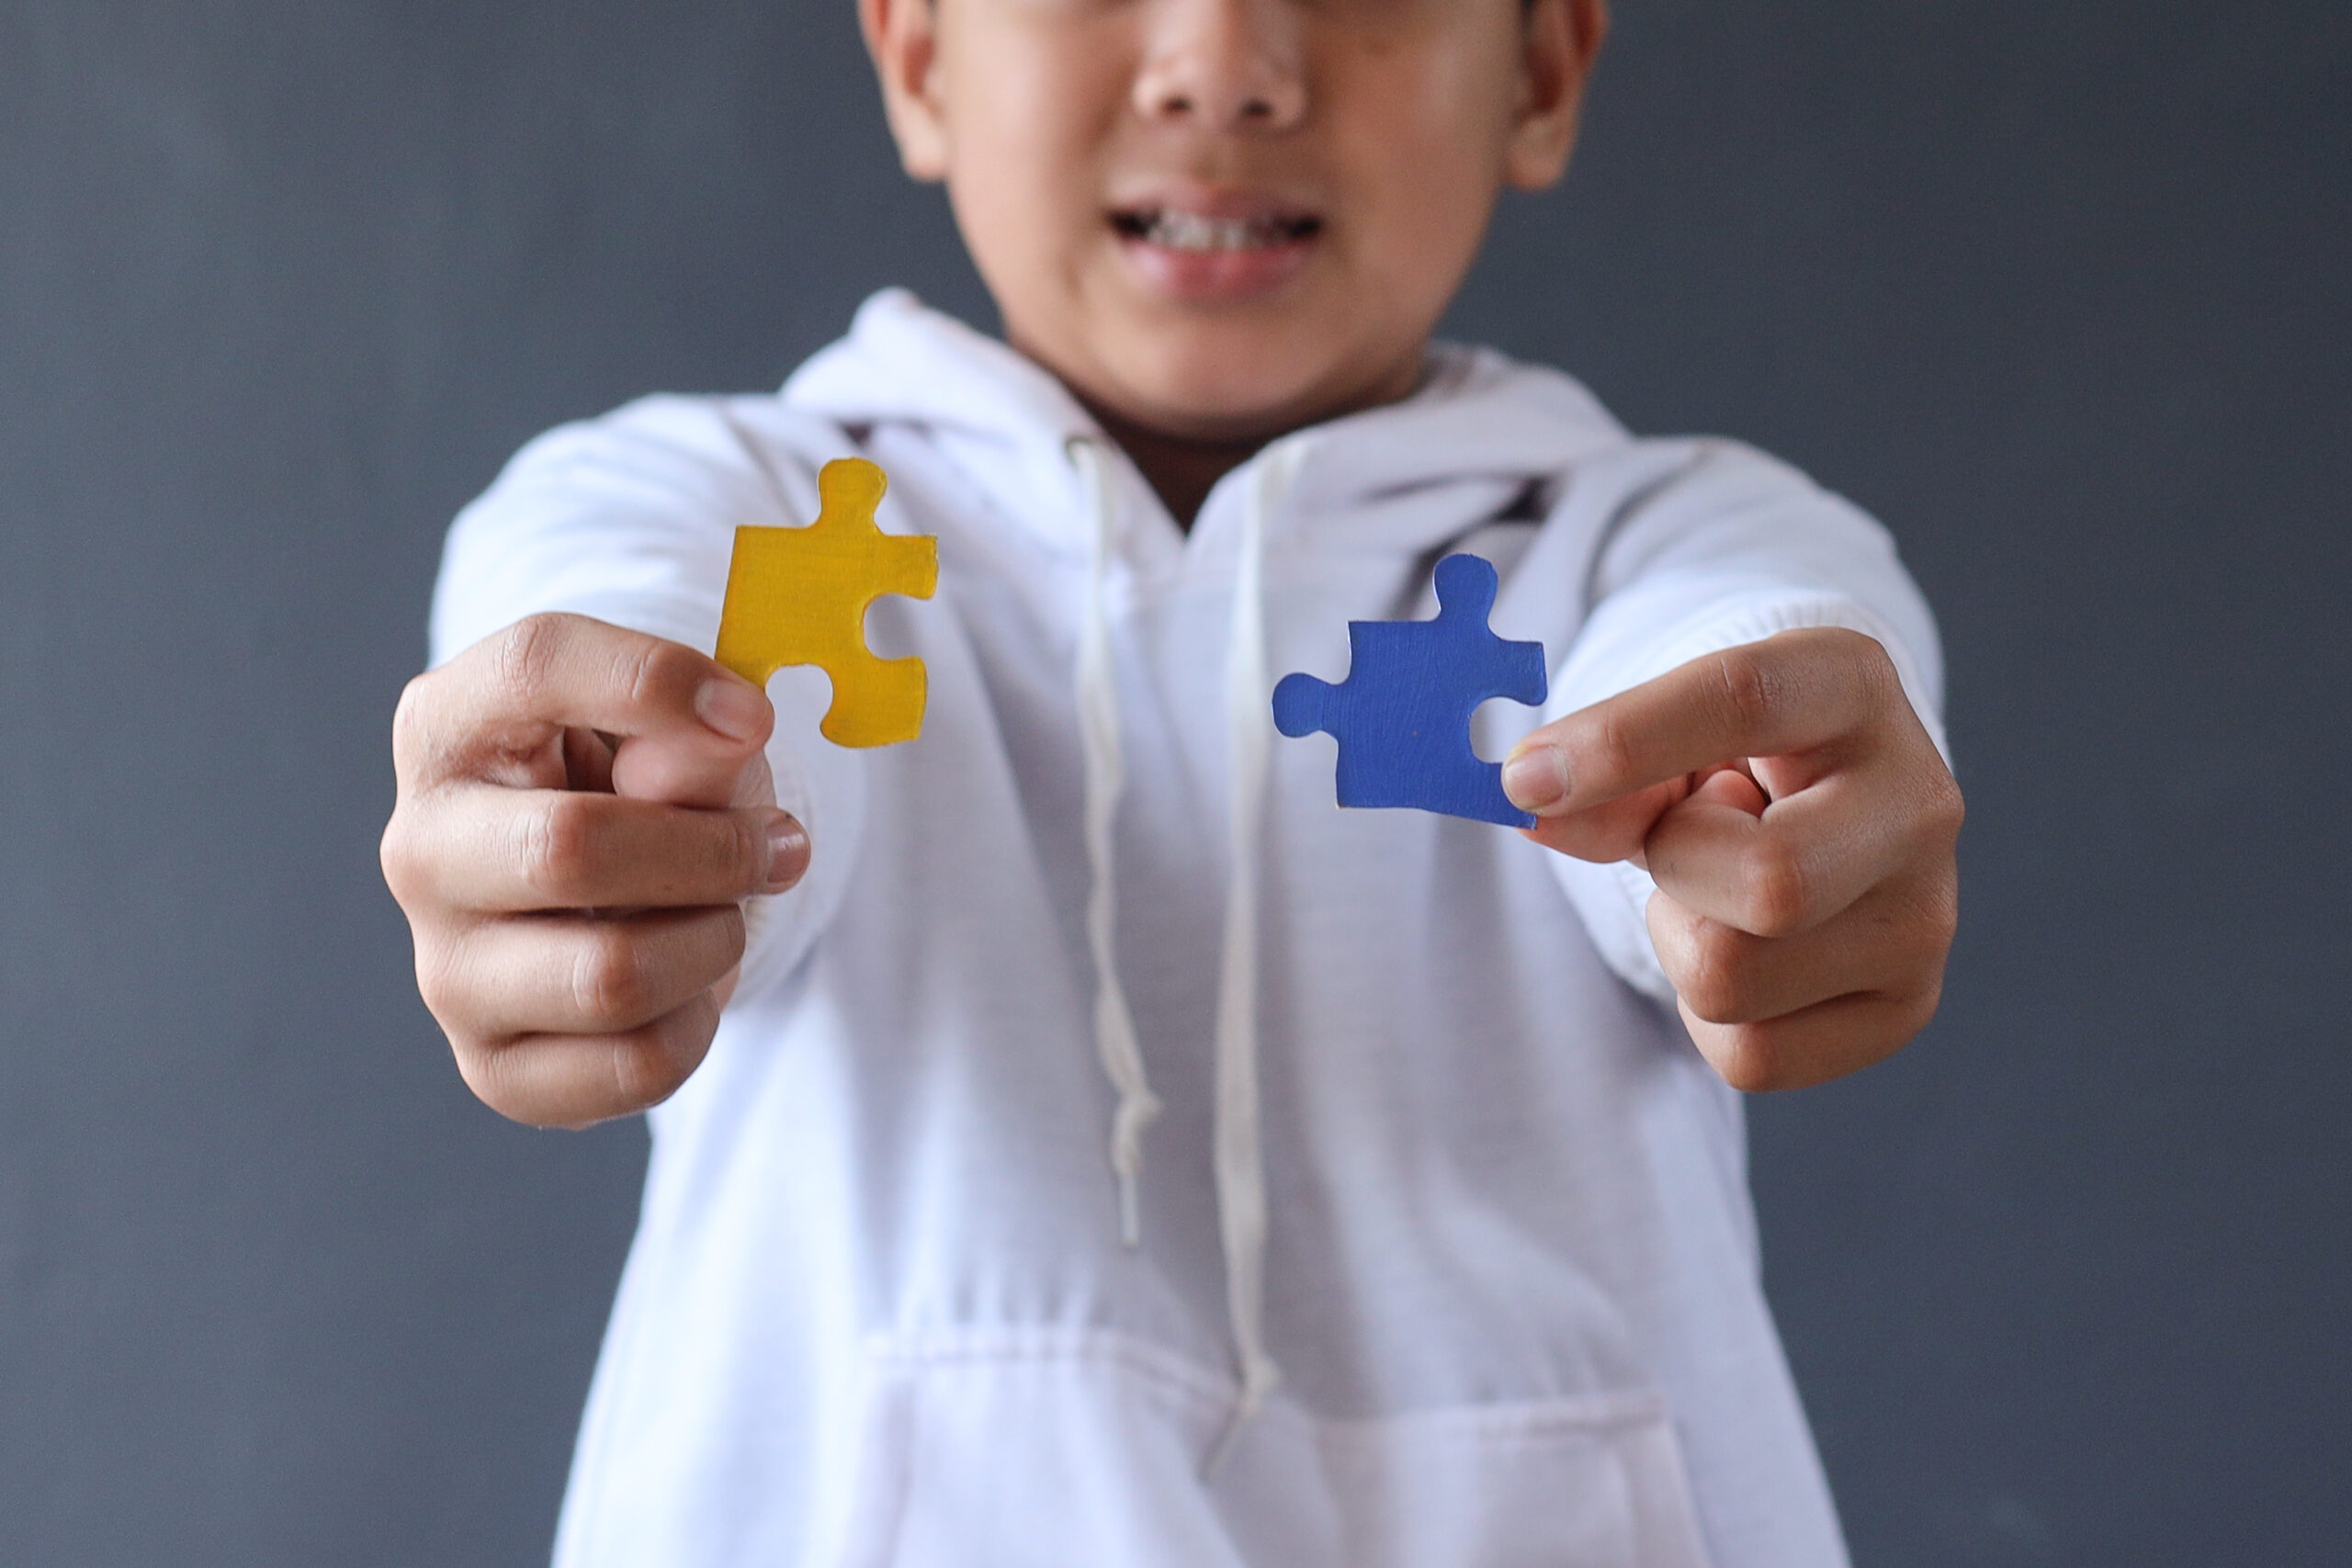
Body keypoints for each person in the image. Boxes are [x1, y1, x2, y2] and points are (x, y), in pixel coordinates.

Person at [379, 0, 1962, 1562]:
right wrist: (627, 791)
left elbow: (1758, 649)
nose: (1225, 64)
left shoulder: (1675, 541)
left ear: (1541, 71)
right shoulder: (705, 499)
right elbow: (642, 625)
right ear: (922, 56)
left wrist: (1774, 806)